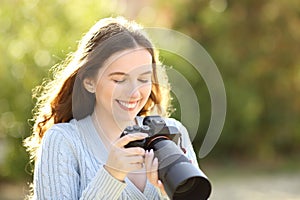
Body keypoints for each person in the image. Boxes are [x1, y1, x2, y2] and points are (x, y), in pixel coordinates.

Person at [24, 16, 200, 200]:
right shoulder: (64, 141)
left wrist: (170, 194)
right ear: (89, 82)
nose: (134, 92)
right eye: (119, 80)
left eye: (143, 79)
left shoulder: (172, 133)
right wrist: (111, 176)